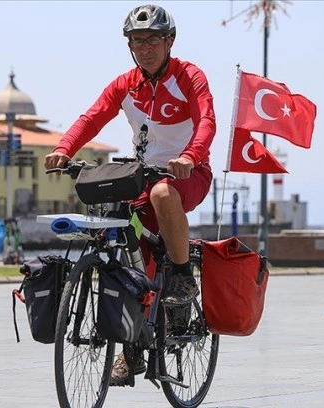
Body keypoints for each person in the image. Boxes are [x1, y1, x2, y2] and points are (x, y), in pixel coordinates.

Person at [44, 4, 215, 386]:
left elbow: (206, 120)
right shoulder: (125, 84)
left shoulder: (189, 77)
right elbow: (94, 116)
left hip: (187, 174)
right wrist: (64, 148)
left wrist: (191, 156)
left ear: (169, 41)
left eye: (152, 39)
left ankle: (184, 277)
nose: (144, 47)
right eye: (136, 41)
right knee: (122, 242)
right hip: (141, 178)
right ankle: (133, 342)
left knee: (162, 193)